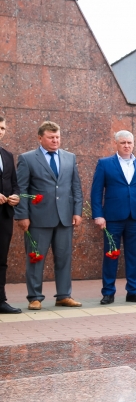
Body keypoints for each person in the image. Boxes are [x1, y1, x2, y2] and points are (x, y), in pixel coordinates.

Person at [15, 121, 83, 310]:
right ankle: (34, 297)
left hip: (65, 217)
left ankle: (63, 295)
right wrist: (22, 216)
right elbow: (21, 189)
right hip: (37, 219)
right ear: (40, 138)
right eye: (51, 137)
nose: (55, 140)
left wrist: (78, 211)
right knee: (36, 259)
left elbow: (75, 186)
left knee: (64, 258)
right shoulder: (27, 159)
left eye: (58, 137)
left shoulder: (69, 157)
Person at [90, 130, 136, 304]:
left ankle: (133, 291)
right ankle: (108, 292)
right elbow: (96, 192)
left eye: (129, 143)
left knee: (134, 255)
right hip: (112, 218)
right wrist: (98, 215)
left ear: (133, 144)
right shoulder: (104, 164)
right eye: (123, 143)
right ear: (116, 144)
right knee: (111, 255)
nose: (126, 146)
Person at [0, 116, 21, 314]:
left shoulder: (7, 155)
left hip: (4, 215)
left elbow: (14, 182)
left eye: (3, 128)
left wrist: (16, 196)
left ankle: (1, 300)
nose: (0, 131)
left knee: (1, 259)